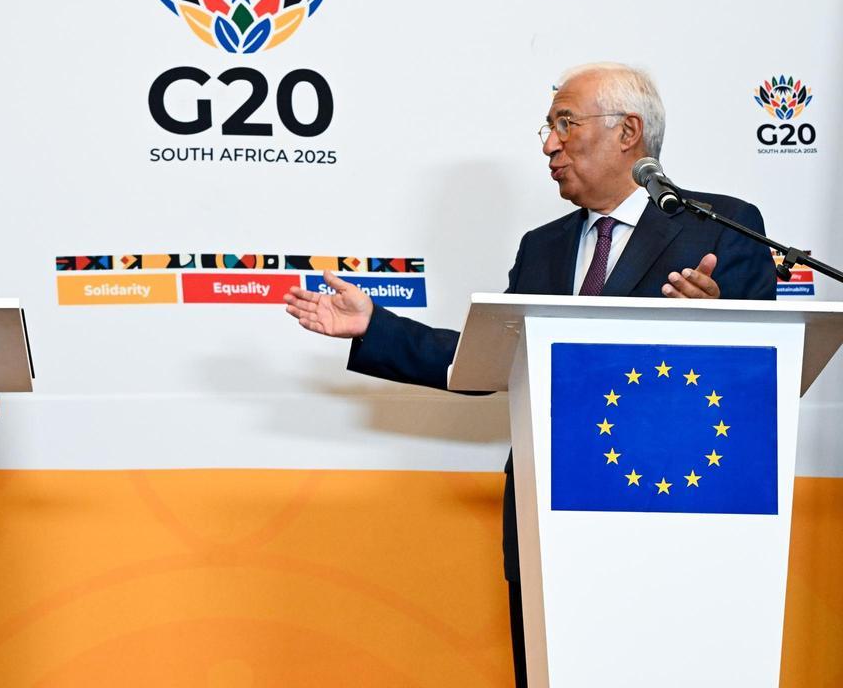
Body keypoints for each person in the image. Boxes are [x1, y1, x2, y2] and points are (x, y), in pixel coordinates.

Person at [283, 62, 776, 686]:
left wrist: (721, 329)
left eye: (565, 124)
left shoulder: (720, 229)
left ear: (629, 133)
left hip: (673, 517)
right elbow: (492, 363)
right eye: (547, 128)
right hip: (549, 520)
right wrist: (373, 327)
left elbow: (762, 381)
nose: (549, 144)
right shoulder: (541, 247)